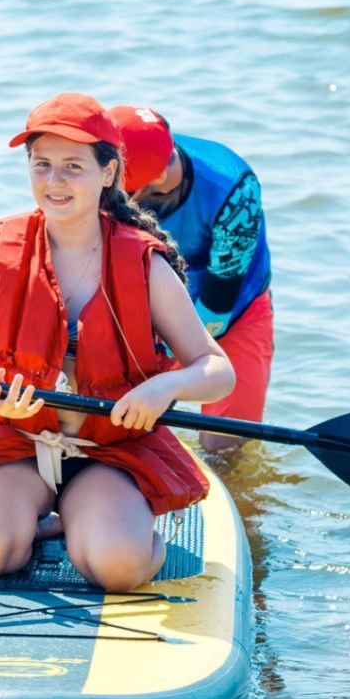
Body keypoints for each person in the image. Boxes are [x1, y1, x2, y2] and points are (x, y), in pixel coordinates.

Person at [0, 93, 237, 592]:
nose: (54, 181)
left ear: (108, 173)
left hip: (110, 452)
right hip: (16, 442)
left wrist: (165, 388)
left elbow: (217, 371)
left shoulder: (145, 264)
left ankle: (103, 523)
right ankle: (41, 520)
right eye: (41, 164)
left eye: (73, 166)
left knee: (118, 570)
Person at [107, 105, 272, 452]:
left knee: (223, 446)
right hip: (152, 306)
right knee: (123, 429)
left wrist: (165, 372)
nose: (118, 199)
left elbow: (217, 305)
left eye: (126, 190)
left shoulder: (234, 189)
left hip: (235, 310)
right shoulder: (109, 174)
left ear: (158, 177)